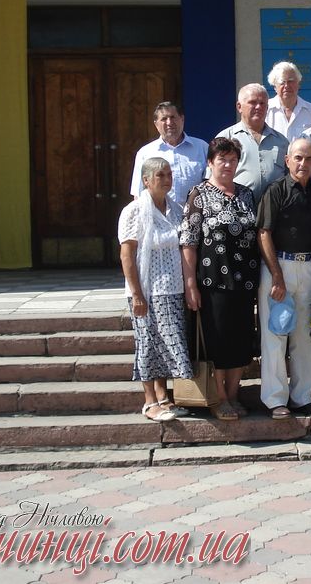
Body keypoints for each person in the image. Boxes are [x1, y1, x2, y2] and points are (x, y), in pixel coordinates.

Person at [180, 137, 260, 422]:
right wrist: (190, 284)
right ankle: (219, 398)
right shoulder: (198, 194)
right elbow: (188, 242)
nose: (227, 165)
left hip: (244, 282)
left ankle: (234, 394)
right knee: (218, 341)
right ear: (210, 162)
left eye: (232, 159)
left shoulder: (246, 194)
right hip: (212, 281)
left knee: (240, 340)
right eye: (222, 159)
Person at [118, 157, 194, 423]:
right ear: (146, 180)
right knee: (148, 343)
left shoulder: (176, 209)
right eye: (160, 175)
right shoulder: (134, 211)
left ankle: (164, 397)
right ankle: (149, 401)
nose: (166, 180)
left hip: (173, 289)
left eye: (169, 174)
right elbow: (127, 254)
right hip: (147, 291)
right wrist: (137, 293)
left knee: (168, 343)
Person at [256, 138, 311, 419]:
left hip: (308, 267)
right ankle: (275, 399)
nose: (303, 163)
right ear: (287, 161)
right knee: (275, 334)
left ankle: (302, 396)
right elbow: (264, 233)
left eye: (308, 159)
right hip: (279, 267)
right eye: (298, 158)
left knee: (305, 336)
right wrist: (277, 276)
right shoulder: (275, 190)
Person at [214, 83, 289, 203]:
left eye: (262, 103)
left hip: (274, 208)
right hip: (238, 207)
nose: (258, 107)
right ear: (239, 107)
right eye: (252, 102)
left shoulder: (281, 141)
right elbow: (213, 178)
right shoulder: (226, 138)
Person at [130, 101, 208, 212]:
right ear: (156, 124)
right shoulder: (145, 153)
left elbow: (213, 186)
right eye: (164, 119)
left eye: (173, 117)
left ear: (182, 119)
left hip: (196, 216)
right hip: (159, 218)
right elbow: (138, 194)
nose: (169, 122)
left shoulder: (202, 148)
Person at [266, 60, 311, 141]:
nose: (287, 86)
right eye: (282, 82)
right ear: (275, 87)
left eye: (291, 81)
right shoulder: (265, 110)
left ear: (298, 84)